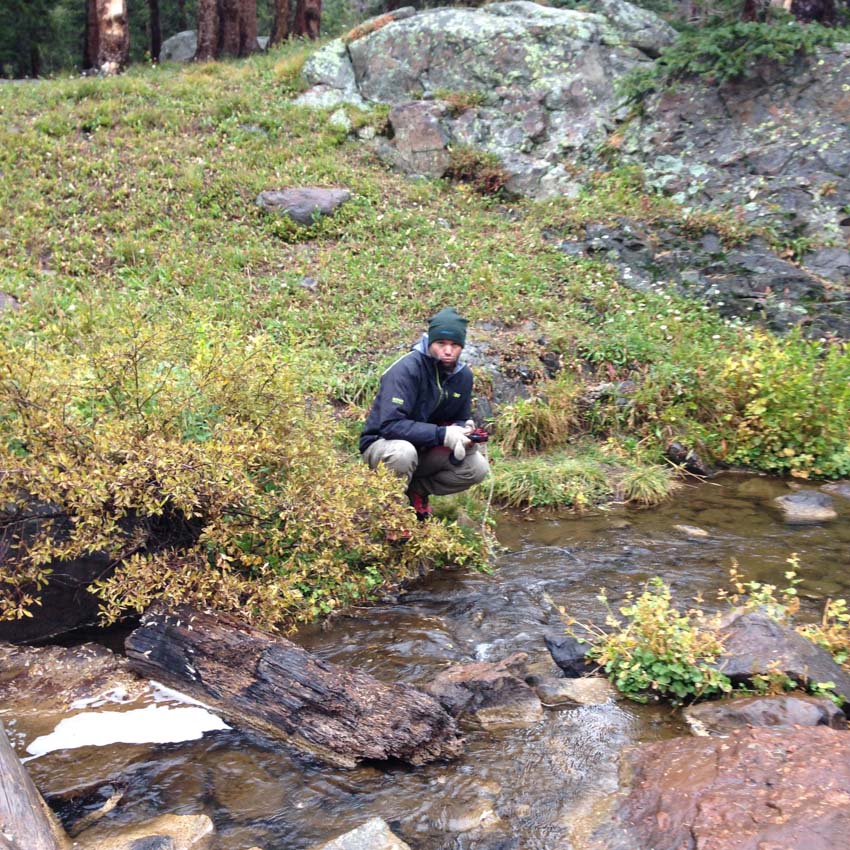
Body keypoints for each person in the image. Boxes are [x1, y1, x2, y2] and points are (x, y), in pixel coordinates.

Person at [360, 307, 490, 520]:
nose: (448, 351)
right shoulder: (406, 370)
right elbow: (390, 426)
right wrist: (443, 435)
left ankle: (416, 491)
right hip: (382, 445)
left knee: (476, 468)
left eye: (454, 345)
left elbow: (460, 416)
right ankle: (391, 513)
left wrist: (465, 431)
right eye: (441, 344)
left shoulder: (463, 376)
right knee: (403, 452)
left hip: (425, 449)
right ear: (430, 343)